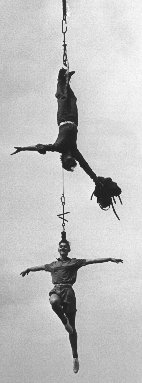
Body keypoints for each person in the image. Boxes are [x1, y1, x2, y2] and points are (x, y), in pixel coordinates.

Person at [20, 239, 123, 373]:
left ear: (68, 249)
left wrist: (109, 259)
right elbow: (39, 267)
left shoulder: (74, 262)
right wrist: (28, 269)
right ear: (58, 249)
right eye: (61, 246)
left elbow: (92, 261)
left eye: (65, 247)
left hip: (69, 293)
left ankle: (75, 357)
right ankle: (64, 321)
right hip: (56, 290)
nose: (62, 248)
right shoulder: (53, 265)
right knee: (53, 301)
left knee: (72, 330)